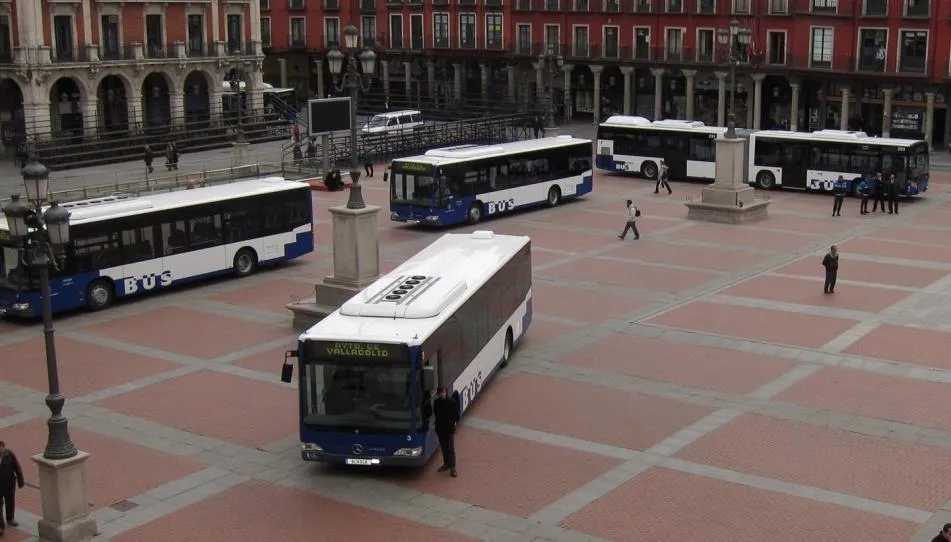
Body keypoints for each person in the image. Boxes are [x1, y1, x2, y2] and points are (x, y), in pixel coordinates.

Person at [433, 386, 459, 477]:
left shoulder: (451, 402)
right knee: (444, 447)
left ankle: (453, 468)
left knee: (450, 448)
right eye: (440, 393)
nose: (441, 394)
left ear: (445, 392)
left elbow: (456, 414)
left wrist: (453, 425)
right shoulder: (437, 402)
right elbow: (436, 414)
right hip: (440, 429)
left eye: (443, 392)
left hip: (449, 429)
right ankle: (446, 464)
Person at [0, 441, 24, 535]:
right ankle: (1, 527)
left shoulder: (9, 454)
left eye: (1, 448)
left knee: (10, 501)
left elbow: (17, 467)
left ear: (3, 447)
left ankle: (10, 518)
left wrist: (20, 481)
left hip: (9, 484)